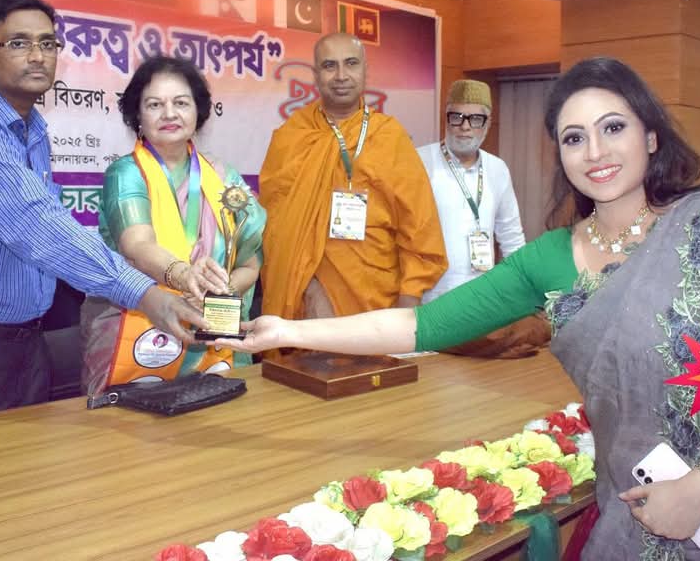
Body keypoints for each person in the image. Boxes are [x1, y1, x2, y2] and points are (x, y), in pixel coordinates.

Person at [221, 57, 700, 559]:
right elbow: (421, 324)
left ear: (651, 136)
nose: (595, 152)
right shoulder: (551, 258)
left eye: (613, 128)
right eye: (574, 138)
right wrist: (289, 328)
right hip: (634, 512)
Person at [0, 0, 202, 429]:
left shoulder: (31, 129)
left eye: (48, 43)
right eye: (19, 43)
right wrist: (145, 293)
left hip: (21, 347)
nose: (37, 55)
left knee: (22, 471)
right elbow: (39, 228)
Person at [82, 55, 265, 394]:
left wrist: (216, 292)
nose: (169, 114)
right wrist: (186, 277)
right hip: (138, 330)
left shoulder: (225, 180)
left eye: (181, 103)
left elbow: (250, 265)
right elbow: (137, 246)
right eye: (155, 105)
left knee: (219, 421)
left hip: (213, 332)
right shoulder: (126, 173)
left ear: (198, 111)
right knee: (131, 426)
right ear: (138, 115)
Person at [258, 32, 447, 319]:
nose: (341, 76)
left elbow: (419, 225)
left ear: (365, 71)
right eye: (329, 66)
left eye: (351, 63)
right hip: (304, 293)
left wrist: (410, 300)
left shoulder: (390, 137)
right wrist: (307, 285)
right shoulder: (291, 137)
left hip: (376, 297)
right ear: (315, 75)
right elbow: (274, 227)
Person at [417, 78, 524, 302]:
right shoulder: (419, 161)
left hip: (482, 297)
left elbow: (511, 236)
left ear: (487, 123)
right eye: (457, 117)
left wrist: (522, 287)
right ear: (446, 119)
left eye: (475, 119)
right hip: (430, 296)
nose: (464, 127)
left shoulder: (497, 168)